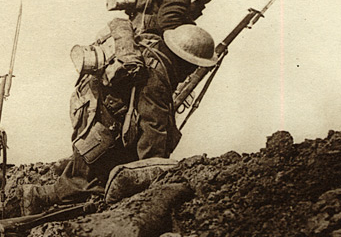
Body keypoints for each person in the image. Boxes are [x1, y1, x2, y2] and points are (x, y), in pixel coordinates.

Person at [24, 23, 216, 215]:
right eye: (193, 66)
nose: (191, 73)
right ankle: (38, 196)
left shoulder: (154, 47)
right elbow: (153, 131)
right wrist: (156, 175)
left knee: (97, 170)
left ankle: (68, 170)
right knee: (90, 184)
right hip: (100, 124)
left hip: (92, 107)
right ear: (184, 61)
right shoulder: (156, 77)